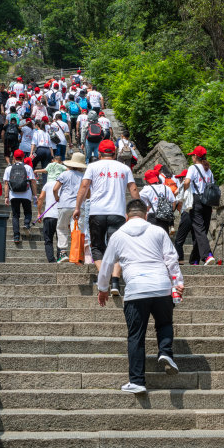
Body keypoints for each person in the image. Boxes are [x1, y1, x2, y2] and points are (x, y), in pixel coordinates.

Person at [97, 199, 184, 393]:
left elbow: (107, 264)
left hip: (136, 289)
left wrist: (103, 288)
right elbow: (171, 259)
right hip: (161, 286)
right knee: (165, 324)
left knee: (136, 335)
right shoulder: (158, 231)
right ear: (146, 215)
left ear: (127, 217)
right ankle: (165, 351)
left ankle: (137, 381)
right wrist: (178, 284)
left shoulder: (118, 235)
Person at [73, 139, 140, 296]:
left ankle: (105, 278)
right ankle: (116, 281)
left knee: (97, 246)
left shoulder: (93, 167)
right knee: (117, 248)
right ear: (115, 152)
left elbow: (84, 187)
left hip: (97, 212)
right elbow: (134, 189)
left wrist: (77, 207)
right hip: (117, 213)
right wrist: (137, 213)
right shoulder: (124, 168)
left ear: (99, 153)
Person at [182, 145, 216, 265]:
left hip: (197, 201)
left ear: (196, 156)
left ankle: (207, 255)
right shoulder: (209, 170)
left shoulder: (193, 168)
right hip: (208, 202)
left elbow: (187, 182)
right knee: (202, 230)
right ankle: (194, 259)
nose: (192, 158)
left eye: (193, 156)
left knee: (199, 230)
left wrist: (185, 190)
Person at [54, 152, 87, 263]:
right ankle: (76, 254)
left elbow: (55, 189)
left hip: (64, 204)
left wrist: (57, 198)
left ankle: (63, 253)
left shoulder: (64, 174)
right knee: (76, 229)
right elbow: (88, 194)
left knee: (62, 228)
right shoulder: (84, 177)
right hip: (79, 206)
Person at [3, 149, 37, 243]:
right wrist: (35, 195)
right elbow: (33, 182)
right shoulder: (28, 168)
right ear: (23, 157)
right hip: (26, 194)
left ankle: (16, 236)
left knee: (15, 215)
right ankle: (26, 224)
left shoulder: (8, 169)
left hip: (13, 195)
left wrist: (6, 197)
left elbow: (6, 184)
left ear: (13, 157)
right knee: (28, 212)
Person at [140, 169, 176, 234]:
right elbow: (173, 202)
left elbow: (139, 199)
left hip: (153, 216)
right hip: (165, 216)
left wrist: (148, 206)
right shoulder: (166, 188)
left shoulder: (147, 189)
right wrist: (169, 211)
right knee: (164, 236)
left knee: (152, 237)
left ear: (148, 181)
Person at [173, 169, 194, 264]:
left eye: (181, 178)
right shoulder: (195, 185)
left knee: (178, 240)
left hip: (187, 213)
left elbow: (176, 193)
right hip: (197, 212)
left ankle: (180, 259)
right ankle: (195, 260)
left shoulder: (185, 184)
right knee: (196, 238)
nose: (180, 180)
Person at [37, 178, 60, 263]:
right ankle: (60, 257)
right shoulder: (63, 184)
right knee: (60, 239)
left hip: (48, 216)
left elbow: (40, 198)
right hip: (60, 215)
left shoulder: (47, 184)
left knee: (48, 239)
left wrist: (39, 213)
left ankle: (51, 259)